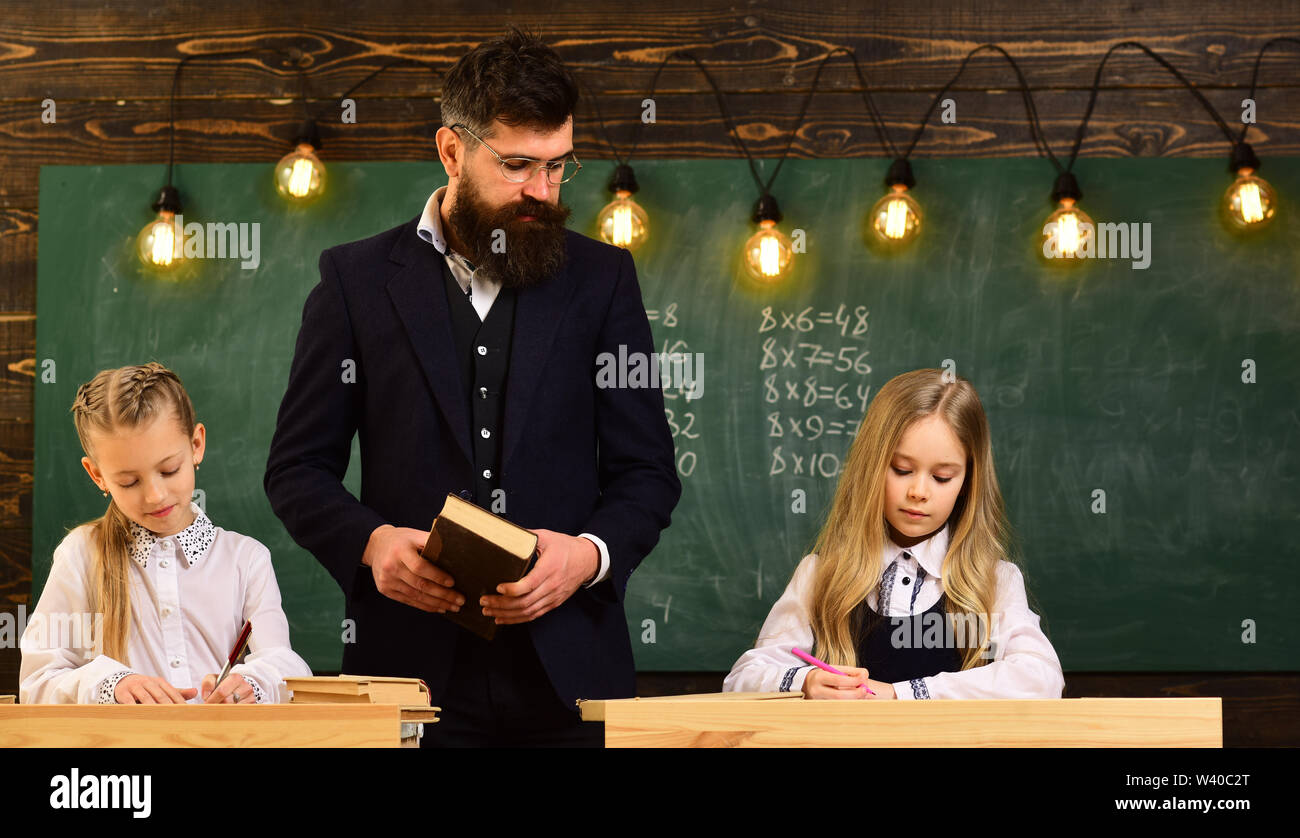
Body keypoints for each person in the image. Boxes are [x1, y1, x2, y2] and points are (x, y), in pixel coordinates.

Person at [264, 27, 680, 746]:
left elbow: (647, 474)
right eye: (518, 165)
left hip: (573, 680)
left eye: (557, 167)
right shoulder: (354, 282)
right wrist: (373, 544)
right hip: (407, 683)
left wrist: (586, 556)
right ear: (451, 150)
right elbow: (297, 471)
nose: (541, 192)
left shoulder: (605, 281)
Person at [725, 368, 1063, 700]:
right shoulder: (820, 575)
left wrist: (903, 695)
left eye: (942, 477)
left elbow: (1042, 679)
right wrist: (806, 681)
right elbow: (742, 678)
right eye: (902, 470)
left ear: (967, 483)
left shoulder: (993, 583)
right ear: (873, 465)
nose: (918, 491)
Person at [20, 362, 311, 705]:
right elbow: (37, 683)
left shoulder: (247, 560)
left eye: (169, 470)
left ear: (197, 445)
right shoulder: (81, 555)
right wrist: (110, 684)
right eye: (129, 482)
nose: (155, 495)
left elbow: (286, 668)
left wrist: (253, 681)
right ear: (97, 475)